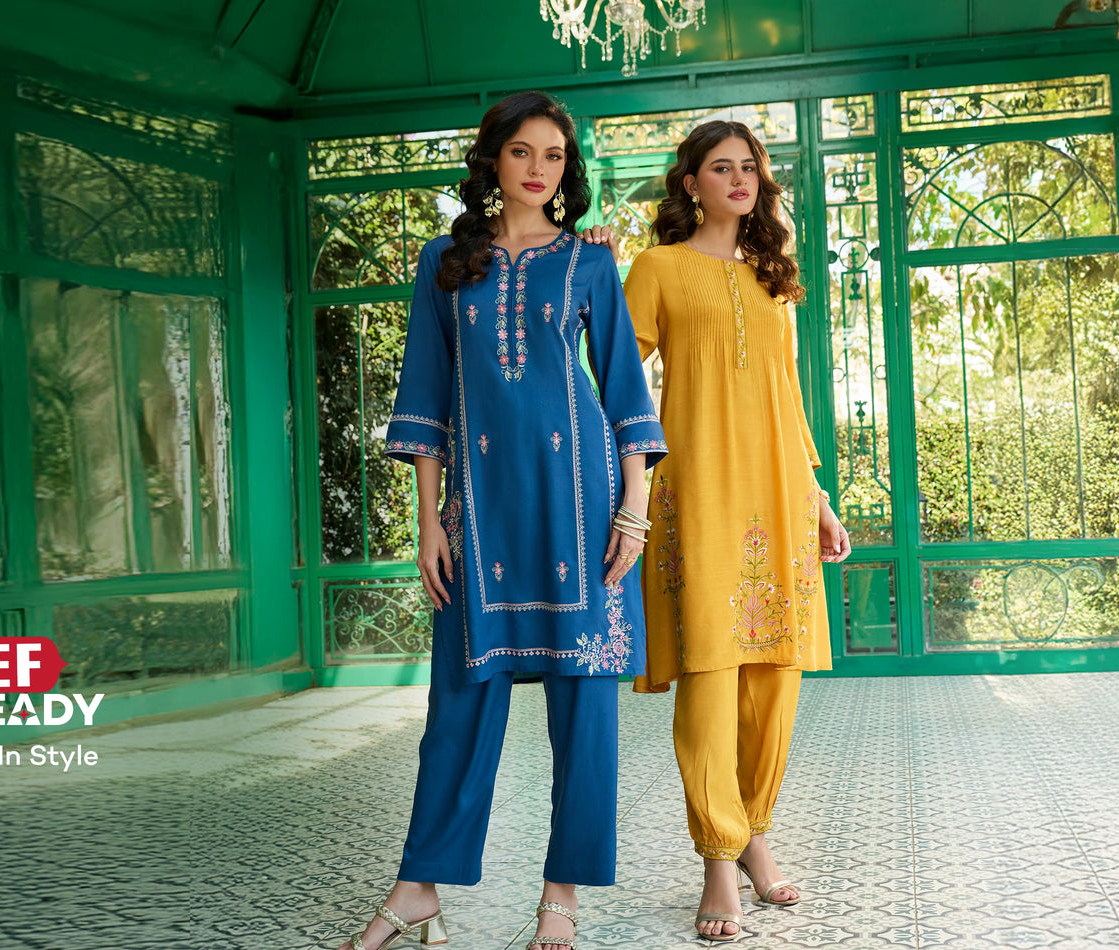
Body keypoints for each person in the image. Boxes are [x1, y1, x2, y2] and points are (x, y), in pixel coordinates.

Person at [338, 90, 666, 950]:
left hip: (580, 502)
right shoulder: (445, 262)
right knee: (459, 698)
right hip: (479, 510)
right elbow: (425, 392)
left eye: (554, 155)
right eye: (522, 152)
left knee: (584, 703)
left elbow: (626, 393)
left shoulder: (589, 262)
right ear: (493, 160)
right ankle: (418, 888)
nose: (538, 169)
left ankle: (562, 894)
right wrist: (428, 521)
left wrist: (634, 513)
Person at [586, 119, 851, 942]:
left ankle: (755, 835)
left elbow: (787, 397)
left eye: (749, 168)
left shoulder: (773, 276)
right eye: (721, 167)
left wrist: (818, 498)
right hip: (697, 492)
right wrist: (592, 275)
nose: (740, 179)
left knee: (775, 678)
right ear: (690, 183)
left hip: (778, 491)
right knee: (711, 676)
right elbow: (611, 373)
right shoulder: (659, 268)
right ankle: (717, 862)